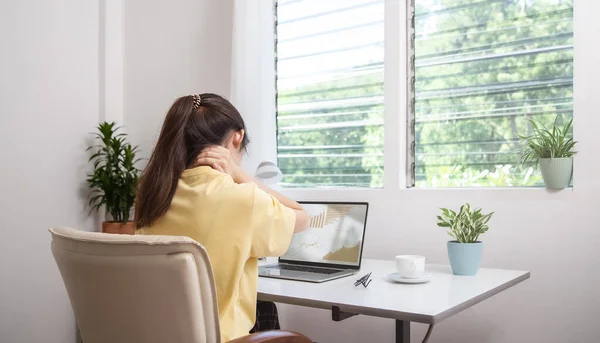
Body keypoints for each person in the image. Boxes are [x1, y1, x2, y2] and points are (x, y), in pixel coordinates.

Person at [135, 93, 308, 342]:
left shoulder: (153, 194)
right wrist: (240, 174)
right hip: (219, 337)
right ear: (237, 138)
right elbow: (301, 217)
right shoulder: (243, 198)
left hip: (159, 334)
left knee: (266, 309)